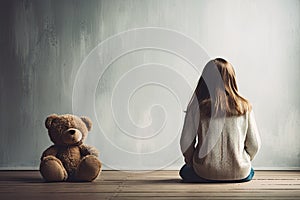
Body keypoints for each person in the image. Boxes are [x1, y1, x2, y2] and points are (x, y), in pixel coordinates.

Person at [179, 58, 261, 183]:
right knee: (251, 171)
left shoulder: (196, 107)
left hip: (204, 172)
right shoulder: (244, 107)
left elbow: (186, 144)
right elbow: (254, 145)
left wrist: (191, 161)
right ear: (232, 78)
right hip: (239, 173)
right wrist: (243, 160)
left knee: (184, 171)